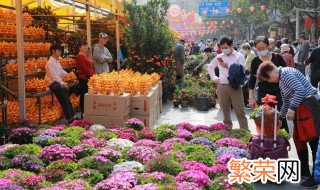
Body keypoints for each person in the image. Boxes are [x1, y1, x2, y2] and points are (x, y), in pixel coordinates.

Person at [257, 61, 320, 189]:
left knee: (313, 140)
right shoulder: (281, 80)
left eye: (267, 79)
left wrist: (292, 109)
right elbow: (286, 101)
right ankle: (304, 170)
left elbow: (300, 90)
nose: (269, 82)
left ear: (269, 73)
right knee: (299, 139)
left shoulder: (286, 74)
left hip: (310, 106)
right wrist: (280, 118)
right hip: (301, 108)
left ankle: (316, 177)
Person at [248, 36, 288, 132]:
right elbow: (252, 80)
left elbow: (286, 73)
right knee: (263, 117)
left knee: (280, 117)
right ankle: (266, 140)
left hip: (279, 92)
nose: (261, 50)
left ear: (268, 46)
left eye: (263, 48)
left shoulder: (277, 57)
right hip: (263, 93)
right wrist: (251, 97)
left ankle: (283, 141)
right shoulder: (255, 61)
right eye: (259, 49)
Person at [208, 37, 248, 130]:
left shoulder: (239, 56)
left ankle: (245, 130)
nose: (224, 50)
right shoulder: (219, 57)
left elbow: (242, 70)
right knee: (225, 110)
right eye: (222, 48)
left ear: (231, 46)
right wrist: (214, 77)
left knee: (240, 110)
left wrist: (228, 66)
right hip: (222, 86)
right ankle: (228, 130)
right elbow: (210, 67)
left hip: (235, 86)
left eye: (226, 47)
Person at [45, 44, 75, 124]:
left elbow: (61, 71)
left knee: (67, 98)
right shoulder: (50, 63)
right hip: (53, 84)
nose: (60, 52)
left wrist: (68, 74)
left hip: (59, 83)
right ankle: (70, 118)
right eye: (58, 50)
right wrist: (62, 83)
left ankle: (73, 116)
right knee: (64, 99)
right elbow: (53, 76)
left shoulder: (57, 61)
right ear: (53, 51)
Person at [76, 42, 94, 117]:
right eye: (84, 45)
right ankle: (83, 112)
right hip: (84, 78)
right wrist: (92, 76)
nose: (86, 47)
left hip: (88, 78)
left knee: (86, 95)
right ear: (80, 47)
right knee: (84, 96)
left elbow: (89, 68)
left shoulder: (85, 56)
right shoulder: (80, 57)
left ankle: (85, 112)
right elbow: (85, 69)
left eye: (87, 46)